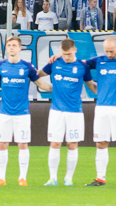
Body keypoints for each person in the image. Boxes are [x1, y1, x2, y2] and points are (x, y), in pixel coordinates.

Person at [83, 35, 116, 186]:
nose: (109, 54)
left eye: (111, 51)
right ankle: (100, 178)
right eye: (106, 51)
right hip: (102, 107)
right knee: (101, 143)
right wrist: (58, 57)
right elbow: (79, 63)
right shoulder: (98, 61)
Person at [37, 37, 89, 186]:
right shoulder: (54, 63)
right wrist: (30, 73)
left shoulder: (82, 66)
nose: (66, 57)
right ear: (60, 52)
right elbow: (39, 74)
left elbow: (91, 84)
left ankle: (68, 178)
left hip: (75, 111)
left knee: (72, 144)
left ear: (75, 50)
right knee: (55, 143)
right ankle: (52, 178)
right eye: (64, 54)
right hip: (56, 111)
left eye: (69, 54)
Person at [0, 34, 35, 186]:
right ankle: (1, 178)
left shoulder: (27, 67)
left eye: (14, 45)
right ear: (6, 48)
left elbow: (41, 83)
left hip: (22, 113)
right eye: (9, 45)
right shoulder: (1, 66)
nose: (11, 48)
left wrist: (57, 89)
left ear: (20, 48)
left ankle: (22, 178)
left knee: (23, 144)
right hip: (4, 113)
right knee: (2, 144)